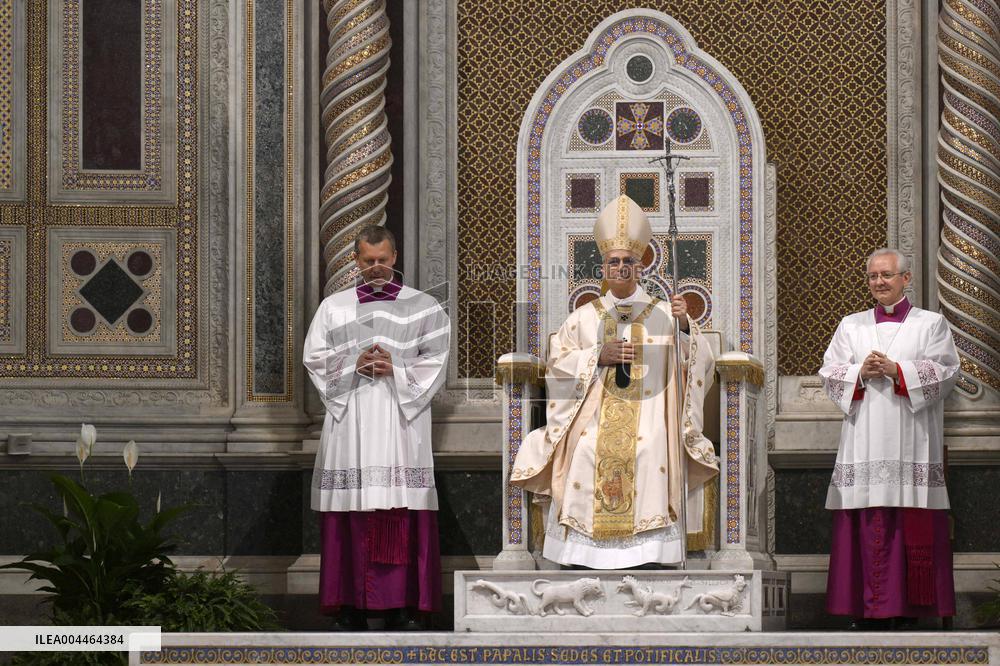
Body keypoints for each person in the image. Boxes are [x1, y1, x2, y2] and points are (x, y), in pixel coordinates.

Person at [510, 195, 718, 568]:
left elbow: (696, 364)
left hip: (651, 416)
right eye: (613, 262)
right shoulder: (582, 318)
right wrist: (596, 357)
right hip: (590, 415)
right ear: (603, 268)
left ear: (640, 268)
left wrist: (685, 326)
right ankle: (579, 555)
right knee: (586, 449)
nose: (621, 267)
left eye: (628, 262)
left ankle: (650, 553)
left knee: (652, 445)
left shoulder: (664, 314)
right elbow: (556, 367)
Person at [303, 225, 450, 630]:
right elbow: (315, 358)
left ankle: (403, 603)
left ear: (395, 257)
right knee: (350, 511)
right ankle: (347, 603)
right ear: (356, 260)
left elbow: (437, 356)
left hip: (400, 422)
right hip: (351, 420)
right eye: (369, 261)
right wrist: (352, 364)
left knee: (400, 507)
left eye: (383, 260)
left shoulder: (423, 307)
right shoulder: (333, 307)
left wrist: (395, 368)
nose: (377, 268)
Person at [820, 248, 960, 629]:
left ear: (905, 278)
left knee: (908, 520)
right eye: (872, 276)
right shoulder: (852, 325)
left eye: (886, 275)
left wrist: (898, 370)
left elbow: (947, 373)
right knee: (866, 520)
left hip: (911, 439)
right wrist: (860, 373)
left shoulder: (930, 324)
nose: (878, 282)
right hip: (863, 439)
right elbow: (829, 373)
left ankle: (909, 609)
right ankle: (866, 609)